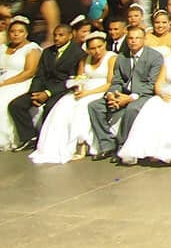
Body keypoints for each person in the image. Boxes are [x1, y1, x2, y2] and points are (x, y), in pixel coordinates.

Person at [32, 31, 113, 163]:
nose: (97, 51)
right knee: (64, 104)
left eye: (99, 47)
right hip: (85, 88)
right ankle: (59, 143)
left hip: (100, 89)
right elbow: (79, 78)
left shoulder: (111, 58)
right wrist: (79, 88)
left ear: (104, 45)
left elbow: (109, 83)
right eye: (92, 48)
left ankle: (81, 144)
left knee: (82, 106)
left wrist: (87, 93)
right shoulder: (84, 59)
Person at [88, 24, 163, 160]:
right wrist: (111, 94)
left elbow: (151, 84)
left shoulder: (155, 57)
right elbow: (117, 80)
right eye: (130, 38)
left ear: (144, 39)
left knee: (132, 109)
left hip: (144, 95)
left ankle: (123, 145)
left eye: (137, 38)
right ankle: (107, 145)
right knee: (94, 106)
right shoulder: (122, 57)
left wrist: (129, 98)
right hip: (123, 93)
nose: (133, 41)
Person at [9, 22, 82, 150]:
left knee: (49, 107)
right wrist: (35, 93)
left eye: (61, 35)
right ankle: (29, 137)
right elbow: (39, 74)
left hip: (62, 89)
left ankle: (45, 140)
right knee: (16, 105)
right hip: (43, 87)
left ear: (70, 36)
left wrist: (48, 93)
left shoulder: (78, 54)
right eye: (55, 35)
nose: (57, 38)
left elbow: (71, 80)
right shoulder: (48, 52)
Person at [0, 18, 40, 151]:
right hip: (3, 78)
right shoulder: (3, 48)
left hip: (21, 82)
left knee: (3, 100)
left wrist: (4, 83)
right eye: (13, 31)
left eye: (20, 31)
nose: (16, 34)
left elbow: (29, 72)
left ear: (26, 33)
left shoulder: (31, 49)